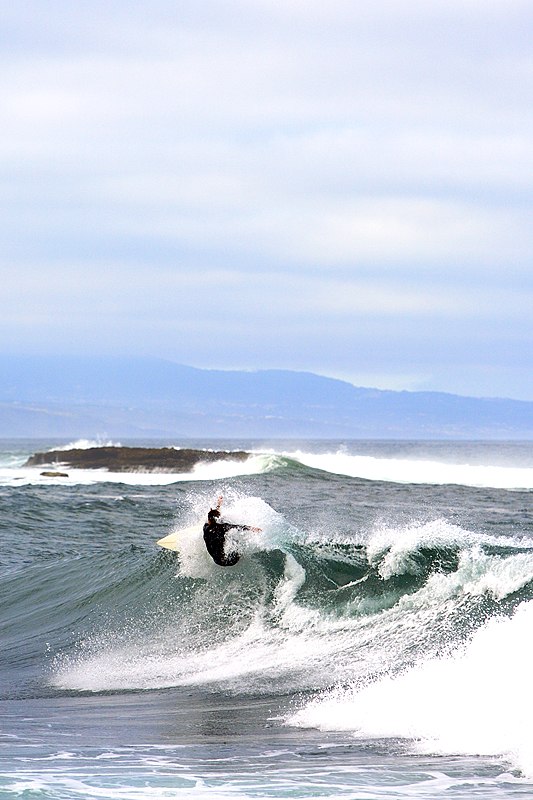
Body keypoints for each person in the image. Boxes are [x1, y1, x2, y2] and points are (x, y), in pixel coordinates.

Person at [203, 496, 261, 566]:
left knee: (222, 539)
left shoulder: (205, 527)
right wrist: (252, 528)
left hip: (216, 560)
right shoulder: (222, 527)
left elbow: (213, 517)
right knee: (237, 542)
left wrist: (218, 505)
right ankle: (241, 557)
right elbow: (238, 527)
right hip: (228, 561)